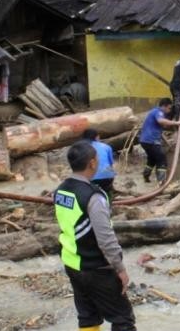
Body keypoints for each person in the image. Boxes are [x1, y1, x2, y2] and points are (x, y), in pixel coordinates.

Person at [54, 141, 136, 331]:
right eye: (97, 159)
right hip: (96, 267)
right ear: (92, 163)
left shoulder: (61, 190)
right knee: (123, 319)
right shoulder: (94, 197)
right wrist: (120, 269)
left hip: (72, 264)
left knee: (88, 317)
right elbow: (105, 238)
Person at [139, 98, 180, 184]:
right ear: (164, 106)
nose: (169, 111)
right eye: (169, 108)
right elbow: (161, 121)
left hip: (144, 141)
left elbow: (158, 131)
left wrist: (166, 142)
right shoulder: (158, 112)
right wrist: (177, 123)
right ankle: (161, 182)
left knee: (152, 159)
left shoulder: (154, 112)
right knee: (161, 159)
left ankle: (146, 176)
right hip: (151, 141)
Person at [82, 129, 116, 199]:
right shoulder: (106, 147)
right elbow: (111, 164)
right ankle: (108, 203)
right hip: (108, 177)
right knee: (107, 192)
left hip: (92, 178)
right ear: (97, 137)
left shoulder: (83, 148)